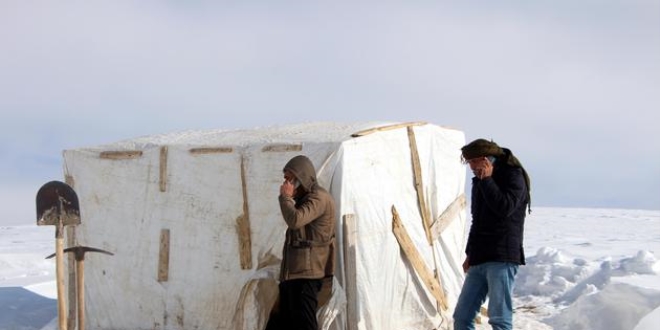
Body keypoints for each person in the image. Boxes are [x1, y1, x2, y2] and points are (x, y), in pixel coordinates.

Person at [453, 139, 531, 330]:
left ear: (486, 159)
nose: (471, 166)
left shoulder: (513, 175)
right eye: (468, 162)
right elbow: (477, 220)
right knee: (462, 317)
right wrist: (470, 253)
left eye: (473, 161)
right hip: (480, 258)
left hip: (502, 256)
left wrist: (487, 180)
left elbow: (505, 208)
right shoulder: (479, 180)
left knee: (499, 318)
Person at [267, 155, 336, 330]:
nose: (286, 184)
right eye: (285, 179)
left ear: (301, 178)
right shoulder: (303, 199)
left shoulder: (319, 198)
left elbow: (296, 220)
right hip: (294, 275)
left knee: (305, 325)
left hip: (307, 275)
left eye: (290, 179)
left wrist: (285, 198)